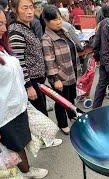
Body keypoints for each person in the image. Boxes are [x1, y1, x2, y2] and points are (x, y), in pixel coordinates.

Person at [0, 1, 48, 179]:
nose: (4, 28)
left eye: (4, 23)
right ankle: (16, 175)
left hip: (14, 109)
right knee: (6, 155)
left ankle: (26, 171)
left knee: (19, 146)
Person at [41, 5, 78, 135]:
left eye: (59, 18)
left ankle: (72, 114)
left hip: (71, 71)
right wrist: (55, 79)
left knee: (71, 97)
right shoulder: (46, 39)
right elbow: (49, 61)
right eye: (55, 19)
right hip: (60, 76)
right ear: (46, 21)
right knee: (61, 101)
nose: (59, 21)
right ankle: (62, 123)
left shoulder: (63, 31)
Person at [9, 0, 48, 116]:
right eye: (24, 8)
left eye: (31, 7)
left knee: (42, 113)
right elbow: (19, 62)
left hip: (38, 81)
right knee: (40, 117)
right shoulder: (16, 31)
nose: (29, 11)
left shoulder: (27, 27)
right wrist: (28, 86)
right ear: (15, 10)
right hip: (31, 82)